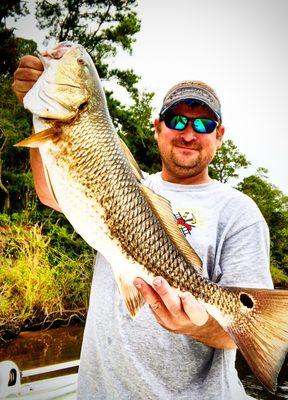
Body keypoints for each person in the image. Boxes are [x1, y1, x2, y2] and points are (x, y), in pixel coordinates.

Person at [12, 56, 273, 400]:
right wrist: (38, 111)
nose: (189, 133)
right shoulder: (123, 181)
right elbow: (49, 192)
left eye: (204, 124)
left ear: (219, 135)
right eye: (177, 120)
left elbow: (242, 331)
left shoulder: (239, 212)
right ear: (158, 127)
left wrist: (195, 324)